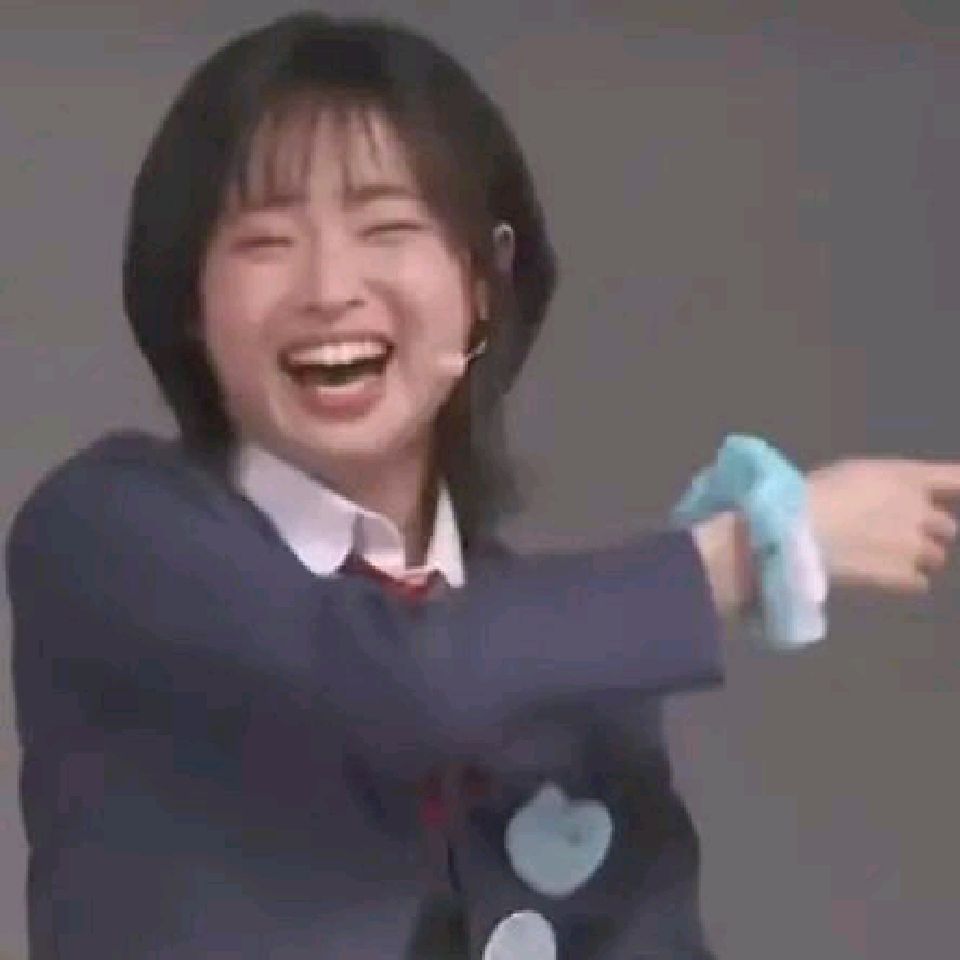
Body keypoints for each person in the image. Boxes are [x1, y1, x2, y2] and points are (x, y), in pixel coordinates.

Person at [6, 12, 960, 959]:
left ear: (485, 282)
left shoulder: (567, 657)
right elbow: (397, 683)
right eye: (265, 242)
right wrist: (744, 554)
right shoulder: (108, 532)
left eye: (388, 228)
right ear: (191, 300)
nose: (329, 288)